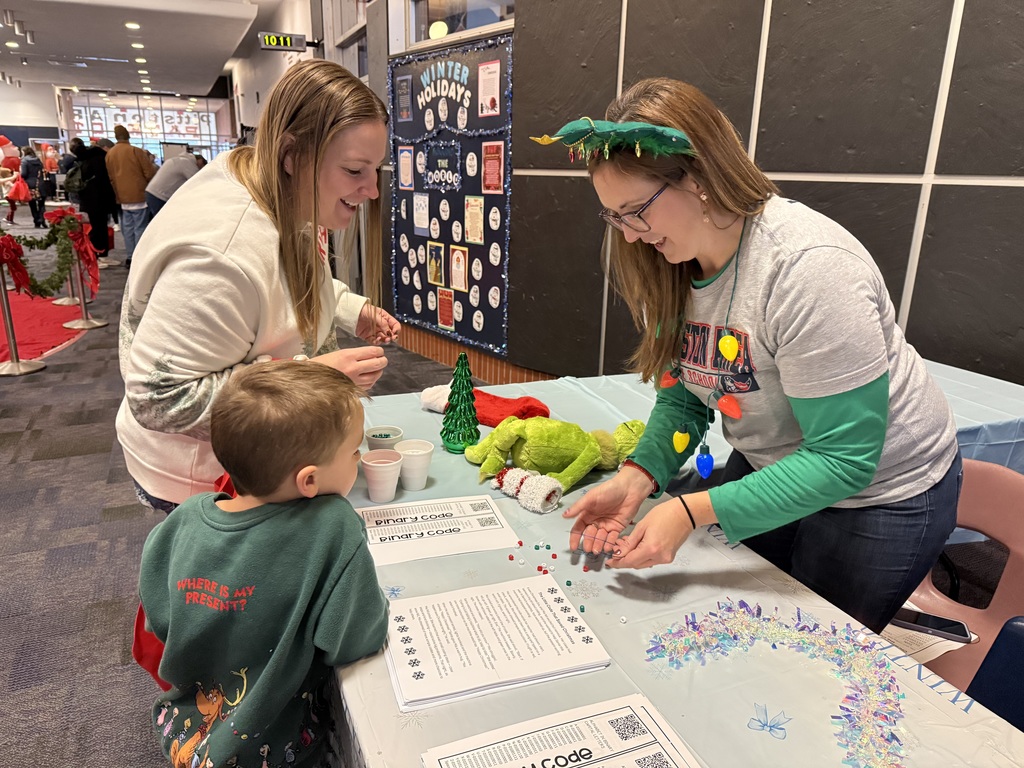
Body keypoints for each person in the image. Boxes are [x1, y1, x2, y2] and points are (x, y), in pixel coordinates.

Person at [553, 78, 962, 633]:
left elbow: (843, 459)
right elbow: (690, 398)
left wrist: (691, 508)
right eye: (614, 217)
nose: (629, 237)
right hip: (778, 462)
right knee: (748, 622)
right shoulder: (672, 265)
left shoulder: (809, 268)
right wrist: (641, 473)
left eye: (636, 211)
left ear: (697, 178)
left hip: (880, 495)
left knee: (815, 646)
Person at [117, 58, 401, 512]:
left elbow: (286, 281)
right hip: (209, 479)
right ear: (292, 155)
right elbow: (158, 398)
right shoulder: (222, 254)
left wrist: (348, 308)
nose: (370, 190)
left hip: (266, 459)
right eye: (353, 171)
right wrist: (315, 377)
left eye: (376, 171)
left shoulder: (275, 181)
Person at [137, 360, 388, 768]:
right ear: (309, 481)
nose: (358, 458)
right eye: (354, 450)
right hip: (276, 746)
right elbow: (355, 641)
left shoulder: (183, 518)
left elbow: (159, 620)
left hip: (187, 730)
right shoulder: (334, 527)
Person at [105, 124, 157, 268]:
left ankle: (130, 256)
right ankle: (139, 256)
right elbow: (149, 173)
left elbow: (110, 177)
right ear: (128, 135)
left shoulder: (110, 154)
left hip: (121, 196)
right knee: (140, 226)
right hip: (139, 195)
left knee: (127, 228)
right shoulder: (135, 151)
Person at [72, 136, 119, 263]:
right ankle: (97, 257)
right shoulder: (99, 159)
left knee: (98, 228)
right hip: (98, 199)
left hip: (89, 199)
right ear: (105, 148)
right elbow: (104, 182)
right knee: (98, 229)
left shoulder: (85, 158)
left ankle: (101, 255)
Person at [144, 151, 204, 217]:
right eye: (201, 166)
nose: (200, 168)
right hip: (159, 197)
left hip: (152, 193)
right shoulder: (187, 163)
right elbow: (198, 181)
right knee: (164, 221)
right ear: (199, 160)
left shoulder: (176, 159)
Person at [19, 146, 46, 228]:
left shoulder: (24, 161)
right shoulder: (37, 160)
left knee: (32, 203)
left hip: (30, 184)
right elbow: (42, 170)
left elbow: (24, 174)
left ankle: (36, 220)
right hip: (40, 183)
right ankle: (42, 219)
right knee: (41, 203)